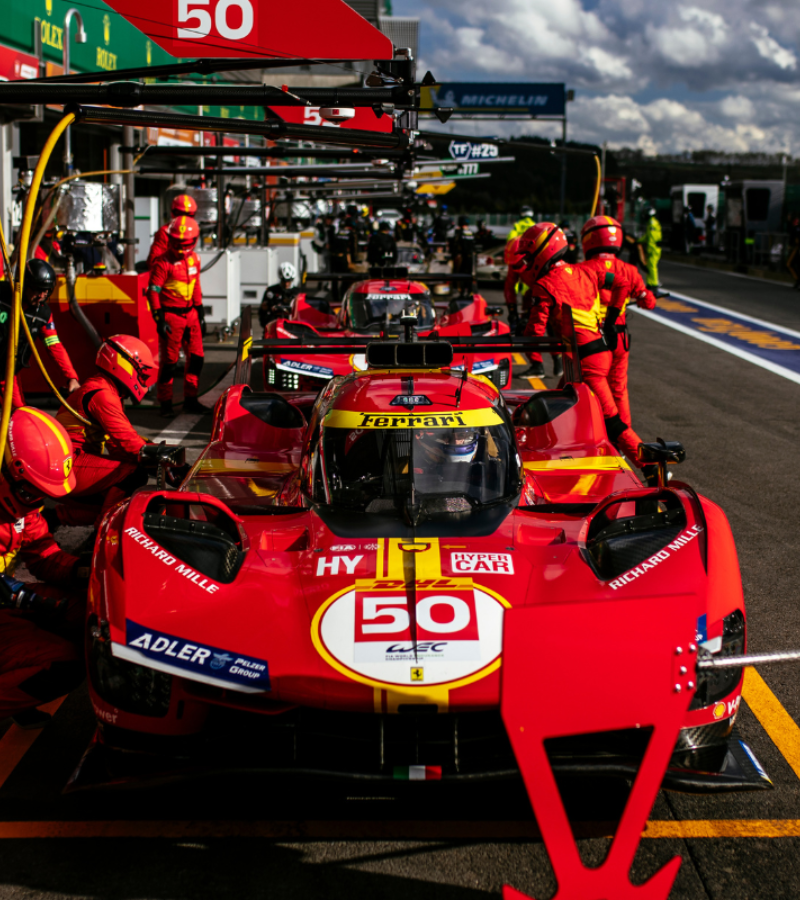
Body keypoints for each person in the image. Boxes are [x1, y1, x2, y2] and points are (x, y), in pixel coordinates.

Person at [520, 222, 645, 466]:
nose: (526, 262)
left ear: (542, 251)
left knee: (615, 423)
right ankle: (562, 454)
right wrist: (609, 320)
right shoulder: (585, 272)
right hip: (593, 355)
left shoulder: (544, 285)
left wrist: (521, 338)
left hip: (586, 363)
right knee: (558, 405)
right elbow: (622, 283)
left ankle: (651, 467)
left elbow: (533, 335)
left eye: (528, 255)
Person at [0, 407, 87, 727]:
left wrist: (84, 571)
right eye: (31, 491)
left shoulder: (23, 506)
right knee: (64, 665)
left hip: (6, 602)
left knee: (88, 610)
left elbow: (43, 553)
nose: (36, 501)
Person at [53, 335, 157, 528]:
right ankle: (106, 534)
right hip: (69, 465)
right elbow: (127, 442)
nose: (142, 379)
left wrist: (153, 452)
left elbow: (119, 444)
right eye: (140, 371)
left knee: (119, 499)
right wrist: (162, 458)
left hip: (69, 463)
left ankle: (51, 519)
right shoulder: (102, 394)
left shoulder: (104, 389)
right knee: (133, 474)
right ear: (123, 364)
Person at [579, 215, 657, 434]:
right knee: (618, 389)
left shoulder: (583, 269)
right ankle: (623, 437)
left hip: (591, 340)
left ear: (589, 240)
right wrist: (643, 295)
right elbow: (648, 301)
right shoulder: (629, 270)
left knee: (579, 383)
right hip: (619, 339)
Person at [0, 259, 80, 410]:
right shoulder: (2, 294)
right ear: (24, 284)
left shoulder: (43, 314)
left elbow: (54, 346)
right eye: (38, 289)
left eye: (46, 290)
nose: (42, 295)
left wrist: (71, 377)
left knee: (19, 414)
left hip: (7, 374)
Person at [147, 216, 206, 417]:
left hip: (191, 315)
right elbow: (153, 291)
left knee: (197, 359)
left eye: (185, 243)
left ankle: (191, 399)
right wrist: (159, 318)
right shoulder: (163, 263)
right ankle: (165, 404)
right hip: (171, 317)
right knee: (170, 364)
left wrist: (201, 311)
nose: (180, 248)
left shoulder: (195, 260)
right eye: (177, 243)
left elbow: (196, 285)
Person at [147, 194, 198, 269]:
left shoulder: (194, 230)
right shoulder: (165, 231)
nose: (184, 218)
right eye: (180, 214)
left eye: (188, 215)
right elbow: (154, 261)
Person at [259, 262, 298, 332]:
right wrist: (264, 309)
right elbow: (263, 315)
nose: (286, 284)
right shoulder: (271, 291)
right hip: (274, 327)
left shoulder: (298, 293)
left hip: (293, 328)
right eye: (284, 281)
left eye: (288, 281)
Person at [639, 206, 662, 289]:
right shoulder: (651, 223)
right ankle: (650, 283)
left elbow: (651, 238)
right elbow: (647, 236)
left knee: (652, 266)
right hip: (653, 248)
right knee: (649, 266)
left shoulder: (652, 223)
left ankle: (654, 284)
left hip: (653, 249)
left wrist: (649, 249)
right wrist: (639, 240)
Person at [786, 214, 800, 289]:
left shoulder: (796, 228)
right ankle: (797, 280)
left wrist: (793, 246)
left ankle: (798, 280)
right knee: (795, 264)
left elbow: (796, 239)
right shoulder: (795, 227)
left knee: (789, 264)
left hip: (795, 249)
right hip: (795, 248)